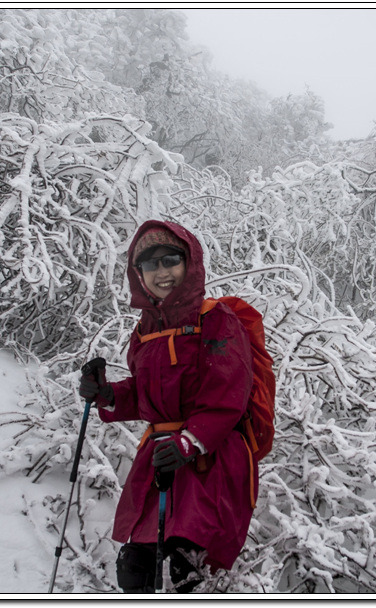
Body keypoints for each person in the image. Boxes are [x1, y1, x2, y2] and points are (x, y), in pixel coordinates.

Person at [80, 220, 256, 593]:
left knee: (186, 569)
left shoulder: (215, 320)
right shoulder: (144, 331)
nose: (161, 272)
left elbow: (228, 394)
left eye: (170, 260)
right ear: (138, 273)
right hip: (160, 456)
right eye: (150, 264)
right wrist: (108, 394)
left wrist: (190, 441)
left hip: (208, 461)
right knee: (135, 568)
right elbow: (146, 393)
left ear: (189, 264)